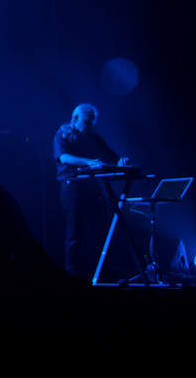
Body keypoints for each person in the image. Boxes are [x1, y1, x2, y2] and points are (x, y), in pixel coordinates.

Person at [54, 103, 131, 279]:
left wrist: (120, 161)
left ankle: (106, 271)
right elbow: (64, 157)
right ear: (75, 118)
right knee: (73, 234)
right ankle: (72, 273)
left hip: (92, 187)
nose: (89, 126)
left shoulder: (94, 138)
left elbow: (111, 156)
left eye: (92, 123)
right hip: (73, 187)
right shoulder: (62, 135)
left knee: (102, 230)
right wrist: (89, 161)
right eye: (87, 122)